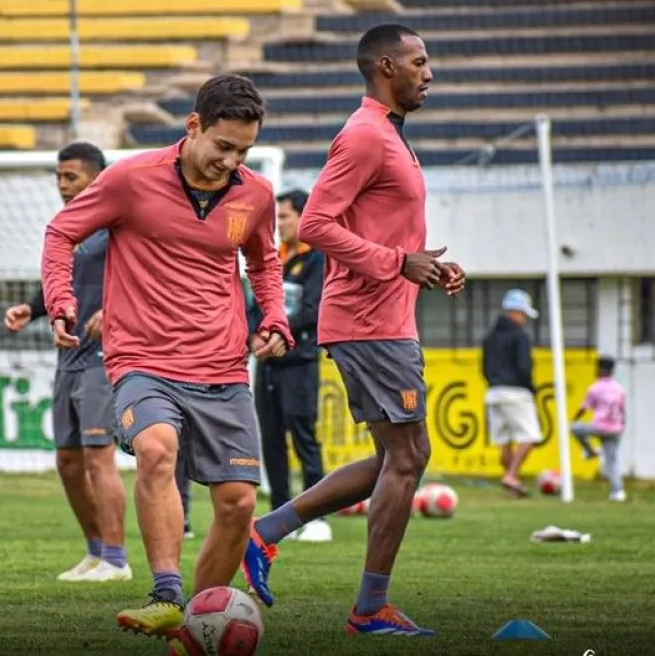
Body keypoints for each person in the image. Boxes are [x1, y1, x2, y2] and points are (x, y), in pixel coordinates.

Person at [40, 74, 293, 647]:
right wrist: (61, 302)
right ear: (194, 127)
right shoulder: (129, 179)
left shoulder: (254, 194)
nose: (230, 161)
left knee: (238, 503)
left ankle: (193, 628)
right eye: (222, 146)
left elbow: (265, 264)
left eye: (243, 151)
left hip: (223, 366)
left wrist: (274, 317)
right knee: (155, 448)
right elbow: (60, 234)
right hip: (142, 359)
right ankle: (165, 595)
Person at [241, 24, 465, 637]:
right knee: (409, 455)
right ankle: (369, 608)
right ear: (386, 66)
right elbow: (313, 223)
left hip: (385, 315)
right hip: (369, 321)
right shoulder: (366, 134)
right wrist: (398, 263)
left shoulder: (389, 134)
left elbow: (379, 230)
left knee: (400, 455)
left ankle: (265, 532)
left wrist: (425, 264)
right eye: (420, 61)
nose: (429, 71)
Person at [4, 142, 131, 582]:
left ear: (96, 178)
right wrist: (32, 308)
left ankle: (117, 559)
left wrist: (116, 309)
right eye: (58, 177)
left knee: (99, 456)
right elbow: (64, 280)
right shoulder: (67, 228)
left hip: (104, 355)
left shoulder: (119, 225)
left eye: (70, 177)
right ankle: (95, 552)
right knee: (68, 461)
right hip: (69, 355)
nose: (62, 185)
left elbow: (145, 275)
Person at [247, 188, 330, 542]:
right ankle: (281, 514)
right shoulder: (274, 259)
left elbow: (314, 310)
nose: (279, 224)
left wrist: (276, 333)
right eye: (276, 218)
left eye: (284, 217)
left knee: (303, 434)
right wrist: (255, 337)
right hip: (267, 364)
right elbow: (255, 304)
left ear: (303, 216)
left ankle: (316, 515)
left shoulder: (317, 260)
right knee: (271, 438)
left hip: (300, 362)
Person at [482, 288, 542, 498]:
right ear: (516, 312)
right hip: (516, 392)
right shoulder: (520, 336)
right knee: (530, 436)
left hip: (493, 393)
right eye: (523, 314)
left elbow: (484, 368)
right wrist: (531, 388)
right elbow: (524, 367)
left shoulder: (490, 337)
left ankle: (512, 486)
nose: (524, 319)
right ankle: (511, 474)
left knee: (505, 440)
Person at [571, 355, 627, 501]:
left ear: (599, 370)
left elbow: (584, 408)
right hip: (616, 428)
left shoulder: (595, 388)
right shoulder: (619, 389)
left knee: (574, 428)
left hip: (600, 427)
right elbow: (622, 410)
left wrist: (573, 419)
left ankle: (590, 451)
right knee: (612, 461)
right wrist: (622, 427)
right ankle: (618, 491)